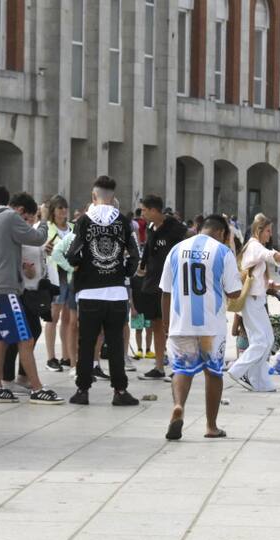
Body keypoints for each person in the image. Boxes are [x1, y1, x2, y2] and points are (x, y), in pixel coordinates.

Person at [159, 214, 244, 441]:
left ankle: (178, 406)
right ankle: (211, 426)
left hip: (180, 322)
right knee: (213, 373)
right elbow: (234, 292)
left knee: (181, 369)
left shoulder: (176, 250)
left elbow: (166, 290)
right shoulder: (223, 252)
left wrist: (167, 323)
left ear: (200, 228)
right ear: (222, 233)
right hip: (210, 327)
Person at [0, 187, 63, 404]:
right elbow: (38, 237)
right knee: (26, 338)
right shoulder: (10, 217)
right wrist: (42, 218)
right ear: (21, 209)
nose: (26, 221)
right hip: (6, 289)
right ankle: (37, 389)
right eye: (27, 217)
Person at [66, 176, 141, 406]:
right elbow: (135, 254)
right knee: (116, 344)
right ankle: (120, 391)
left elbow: (71, 254)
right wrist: (124, 271)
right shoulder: (123, 221)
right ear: (113, 197)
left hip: (89, 293)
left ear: (93, 195)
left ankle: (83, 390)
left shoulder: (84, 221)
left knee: (87, 343)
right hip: (116, 294)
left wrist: (84, 265)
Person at [227, 213, 280, 391]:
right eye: (268, 231)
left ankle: (258, 380)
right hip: (252, 301)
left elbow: (259, 280)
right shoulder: (255, 246)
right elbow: (273, 256)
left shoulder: (254, 247)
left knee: (267, 339)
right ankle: (240, 370)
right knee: (260, 341)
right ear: (258, 230)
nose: (270, 234)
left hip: (257, 300)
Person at [134, 194, 189, 382]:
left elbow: (189, 241)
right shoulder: (151, 228)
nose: (142, 214)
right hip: (153, 283)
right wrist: (142, 268)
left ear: (154, 210)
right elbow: (149, 250)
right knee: (157, 323)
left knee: (174, 326)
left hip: (173, 285)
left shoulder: (176, 228)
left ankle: (179, 367)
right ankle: (158, 367)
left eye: (144, 210)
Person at [42, 195, 73, 372]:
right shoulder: (46, 228)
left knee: (68, 318)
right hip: (55, 276)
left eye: (65, 208)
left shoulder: (73, 228)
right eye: (60, 208)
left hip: (71, 275)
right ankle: (50, 357)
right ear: (53, 211)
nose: (63, 211)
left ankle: (66, 355)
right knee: (53, 317)